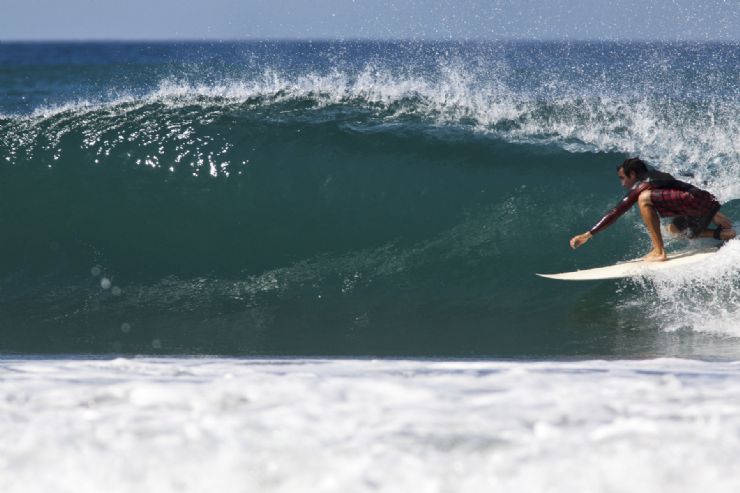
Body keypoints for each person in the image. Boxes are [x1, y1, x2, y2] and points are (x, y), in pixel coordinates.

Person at [570, 157, 736, 262]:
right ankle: (722, 233)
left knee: (644, 198)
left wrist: (588, 234)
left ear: (633, 174)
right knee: (674, 229)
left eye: (623, 178)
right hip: (706, 202)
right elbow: (693, 181)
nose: (622, 183)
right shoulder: (664, 175)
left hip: (697, 202)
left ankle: (659, 251)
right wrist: (713, 212)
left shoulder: (644, 183)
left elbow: (617, 211)